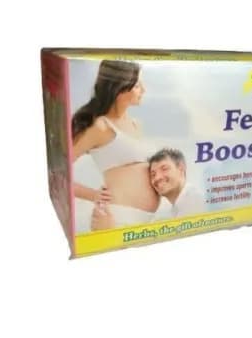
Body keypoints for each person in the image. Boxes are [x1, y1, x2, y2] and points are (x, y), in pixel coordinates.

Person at [72, 60, 160, 229]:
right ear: (119, 90)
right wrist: (93, 195)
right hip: (116, 217)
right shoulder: (101, 127)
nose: (144, 90)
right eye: (137, 86)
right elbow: (59, 173)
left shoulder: (135, 124)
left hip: (147, 220)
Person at [148, 148, 206, 218]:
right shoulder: (174, 207)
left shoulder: (194, 202)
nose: (157, 178)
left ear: (181, 169)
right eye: (153, 174)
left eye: (164, 169)